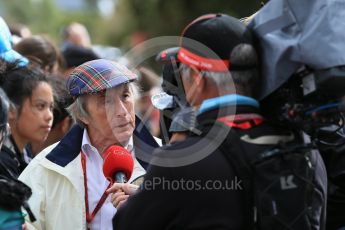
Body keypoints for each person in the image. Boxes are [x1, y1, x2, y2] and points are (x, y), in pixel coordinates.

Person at [112, 14, 327, 229]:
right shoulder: (305, 146)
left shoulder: (182, 160)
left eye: (182, 70)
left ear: (197, 78)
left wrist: (147, 196)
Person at [19, 59, 161, 230]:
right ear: (82, 116)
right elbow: (21, 221)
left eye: (125, 96)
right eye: (106, 101)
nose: (122, 111)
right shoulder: (46, 166)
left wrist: (147, 211)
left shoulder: (166, 160)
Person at [0, 59, 54, 178]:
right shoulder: (3, 165)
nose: (49, 116)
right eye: (40, 106)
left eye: (51, 107)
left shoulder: (25, 154)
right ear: (11, 110)